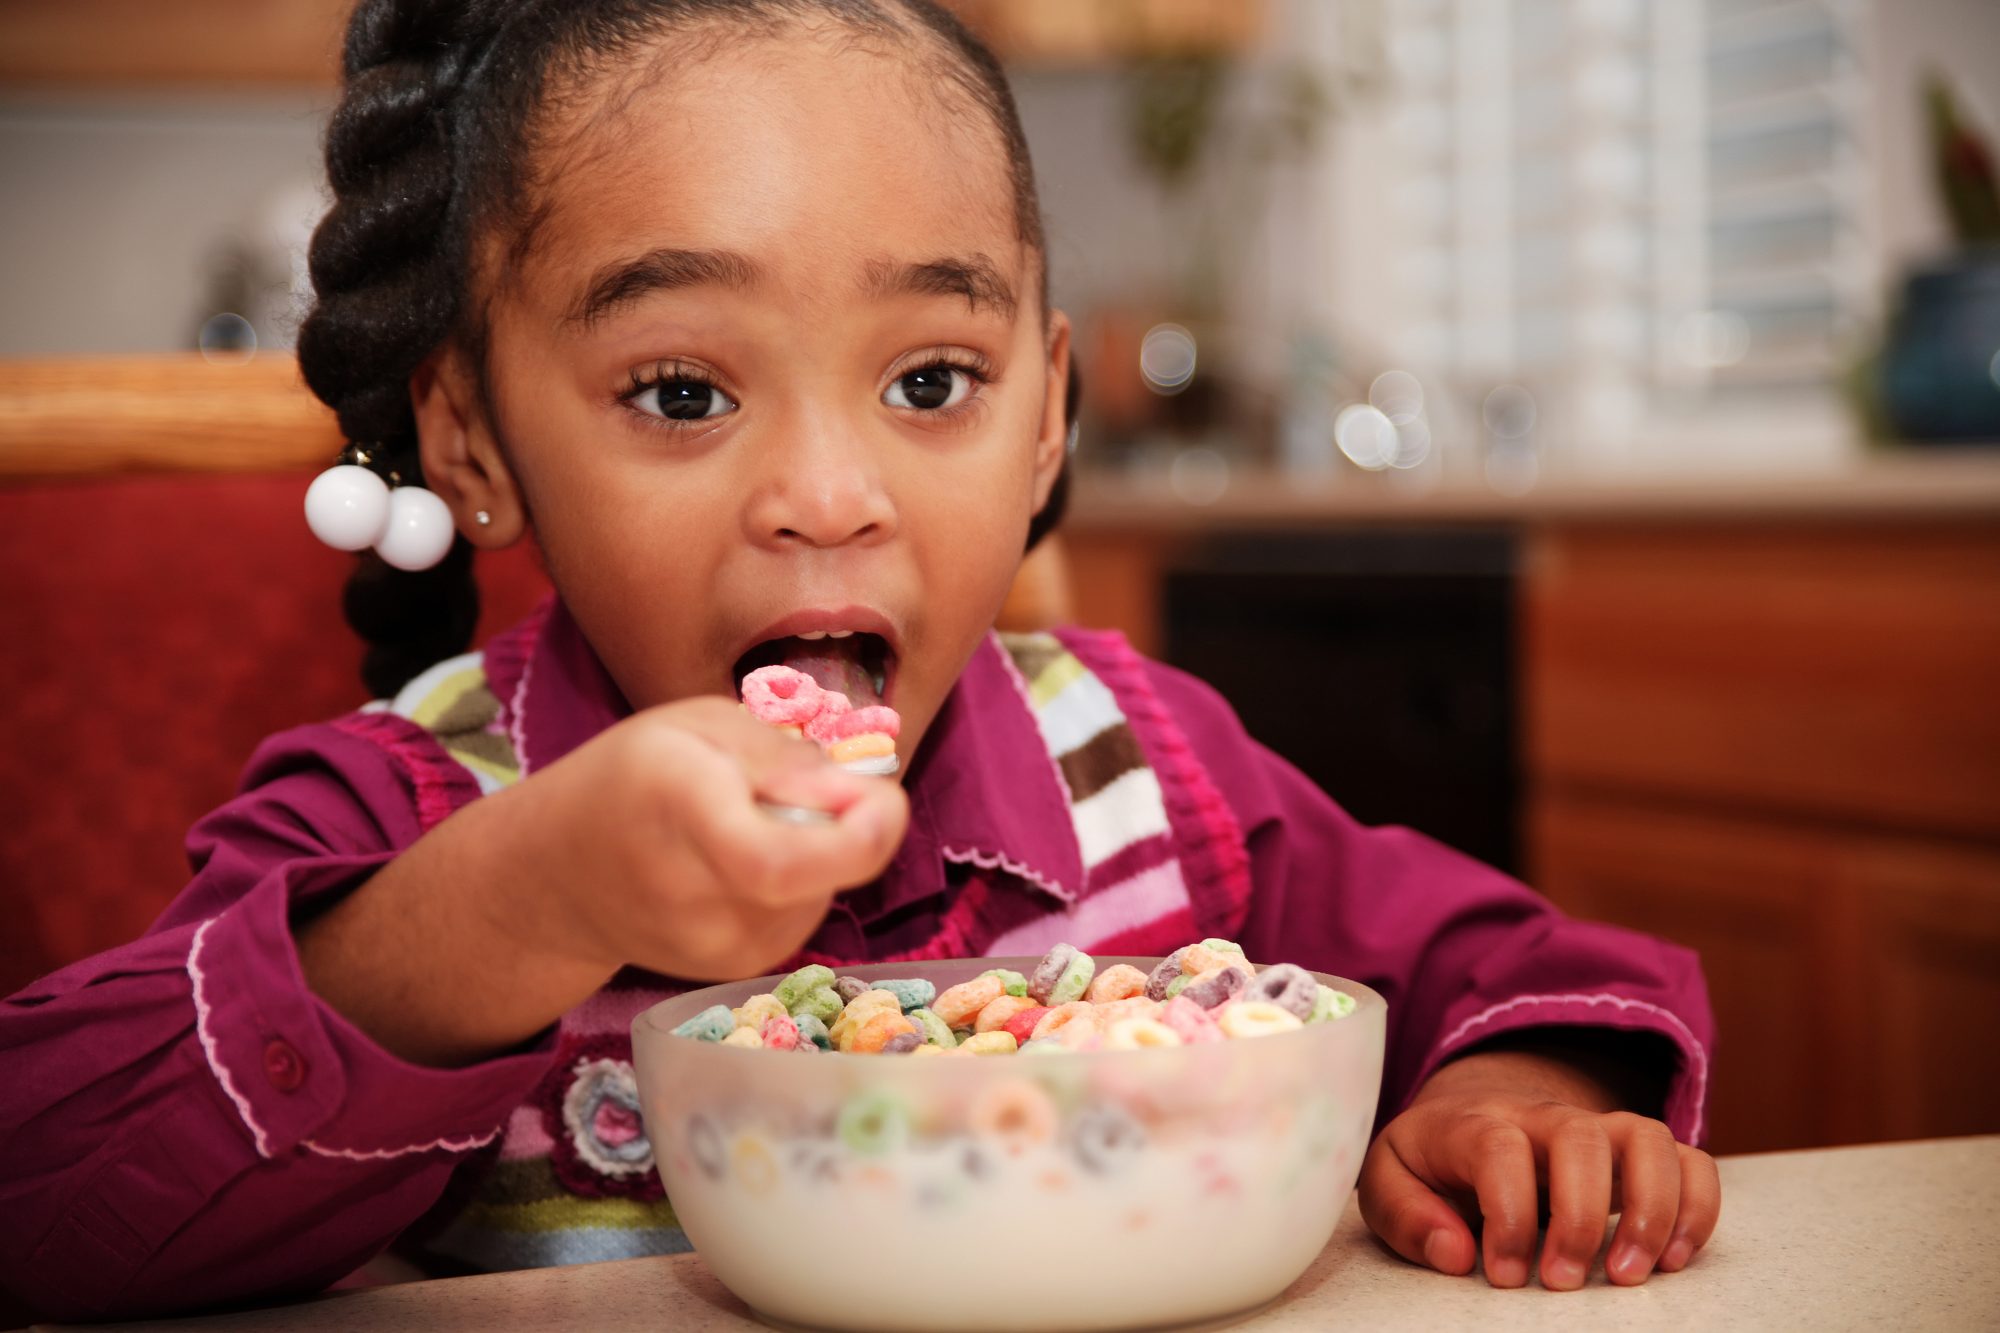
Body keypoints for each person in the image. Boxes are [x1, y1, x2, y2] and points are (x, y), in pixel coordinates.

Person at [0, 0, 1720, 1319]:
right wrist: (514, 907)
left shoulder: (1147, 775)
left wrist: (1520, 1100)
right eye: (683, 393)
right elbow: (43, 1190)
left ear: (1047, 415)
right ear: (471, 439)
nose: (829, 499)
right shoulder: (403, 807)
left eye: (929, 384)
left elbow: (1525, 969)